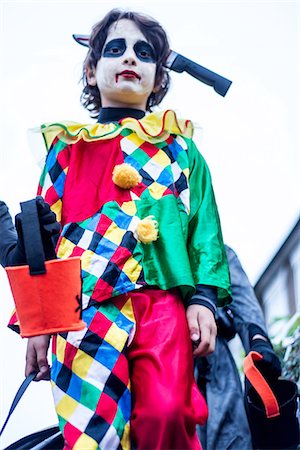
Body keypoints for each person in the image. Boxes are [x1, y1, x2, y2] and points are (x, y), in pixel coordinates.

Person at [1, 9, 232, 450]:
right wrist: (39, 323)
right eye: (115, 49)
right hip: (82, 308)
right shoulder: (66, 150)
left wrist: (202, 298)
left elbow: (205, 230)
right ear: (92, 71)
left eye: (143, 53)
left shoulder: (182, 148)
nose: (129, 58)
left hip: (161, 302)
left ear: (158, 78)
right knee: (92, 434)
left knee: (167, 415)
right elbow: (41, 244)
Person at [196, 245, 281, 450]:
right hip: (162, 362)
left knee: (230, 438)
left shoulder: (214, 248)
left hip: (215, 366)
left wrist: (259, 341)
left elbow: (243, 301)